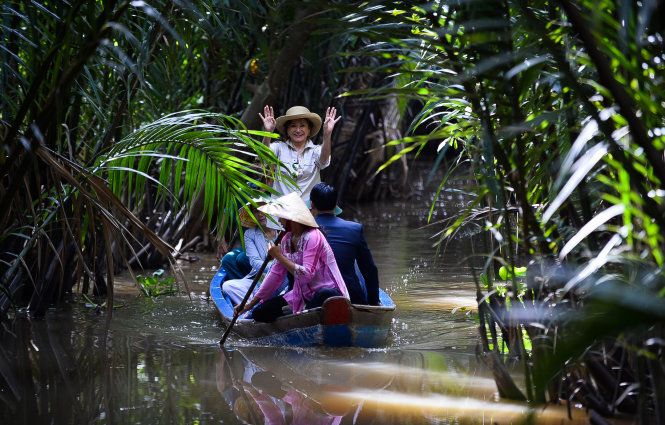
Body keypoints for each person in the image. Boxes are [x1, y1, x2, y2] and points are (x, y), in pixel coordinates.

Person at [234, 192, 349, 323]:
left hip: (330, 293)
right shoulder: (287, 239)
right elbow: (275, 274)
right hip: (303, 295)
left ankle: (300, 313)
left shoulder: (313, 236)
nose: (279, 221)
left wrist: (279, 256)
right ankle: (296, 313)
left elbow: (307, 275)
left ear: (291, 218)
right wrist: (250, 303)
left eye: (281, 217)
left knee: (324, 296)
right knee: (260, 313)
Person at [309, 182, 382, 306]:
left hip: (315, 298)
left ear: (312, 204)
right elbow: (370, 269)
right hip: (350, 295)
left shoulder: (304, 229)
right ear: (336, 204)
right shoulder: (354, 229)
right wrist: (374, 300)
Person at [259, 105, 341, 201]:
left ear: (309, 129)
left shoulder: (315, 150)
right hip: (281, 211)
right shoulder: (279, 148)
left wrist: (327, 134)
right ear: (287, 130)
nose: (298, 130)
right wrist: (268, 132)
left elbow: (323, 161)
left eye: (302, 125)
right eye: (293, 126)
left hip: (308, 211)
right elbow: (264, 156)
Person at [222, 201, 286, 305]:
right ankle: (254, 306)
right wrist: (276, 266)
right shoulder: (250, 234)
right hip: (260, 281)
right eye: (256, 211)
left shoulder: (283, 229)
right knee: (227, 286)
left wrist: (280, 268)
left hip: (283, 279)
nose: (260, 214)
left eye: (263, 210)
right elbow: (254, 262)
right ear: (252, 215)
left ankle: (256, 305)